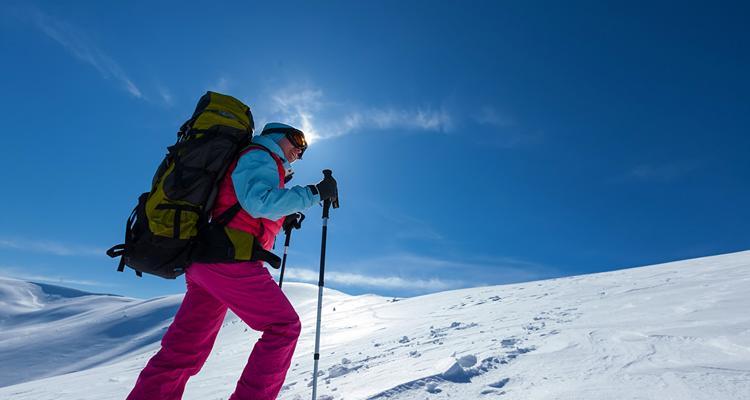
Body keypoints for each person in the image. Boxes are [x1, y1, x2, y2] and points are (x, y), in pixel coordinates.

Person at [126, 122, 338, 400]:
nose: (299, 150)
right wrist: (313, 194)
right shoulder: (261, 154)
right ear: (275, 136)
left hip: (207, 264)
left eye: (303, 149)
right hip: (230, 262)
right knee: (284, 327)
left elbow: (241, 205)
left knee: (184, 349)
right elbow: (258, 202)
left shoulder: (257, 161)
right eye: (296, 141)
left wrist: (285, 216)